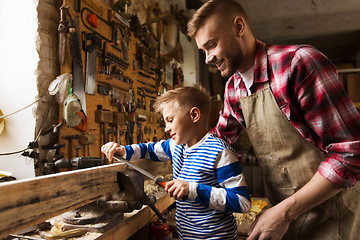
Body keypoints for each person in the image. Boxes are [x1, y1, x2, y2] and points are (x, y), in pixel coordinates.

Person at [187, 0, 360, 240]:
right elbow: (218, 141)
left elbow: (350, 154)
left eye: (211, 45)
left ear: (239, 27)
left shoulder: (298, 63)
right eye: (202, 51)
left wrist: (284, 214)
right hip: (285, 219)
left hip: (335, 217)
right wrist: (160, 150)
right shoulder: (234, 89)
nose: (207, 58)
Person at [101, 86, 251, 240]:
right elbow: (149, 150)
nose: (166, 128)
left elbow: (242, 202)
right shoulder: (176, 146)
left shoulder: (219, 152)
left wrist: (191, 189)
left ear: (194, 115)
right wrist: (122, 151)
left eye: (170, 120)